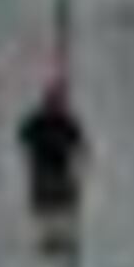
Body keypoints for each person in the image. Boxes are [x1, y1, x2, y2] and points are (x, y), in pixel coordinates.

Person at [18, 72, 89, 250]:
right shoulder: (39, 121)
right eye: (54, 102)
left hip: (59, 167)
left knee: (63, 202)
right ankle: (48, 238)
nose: (55, 105)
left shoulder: (64, 121)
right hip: (43, 167)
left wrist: (80, 153)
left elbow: (78, 141)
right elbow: (23, 136)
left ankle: (63, 237)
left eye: (57, 102)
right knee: (48, 204)